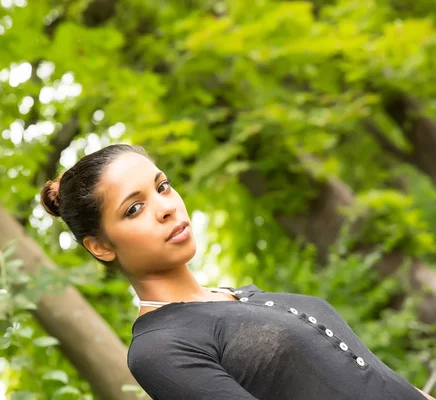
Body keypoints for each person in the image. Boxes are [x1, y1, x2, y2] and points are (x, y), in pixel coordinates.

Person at [40, 143, 434, 400]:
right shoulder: (160, 347)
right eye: (134, 208)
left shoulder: (244, 295)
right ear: (101, 246)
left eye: (162, 187)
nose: (166, 207)